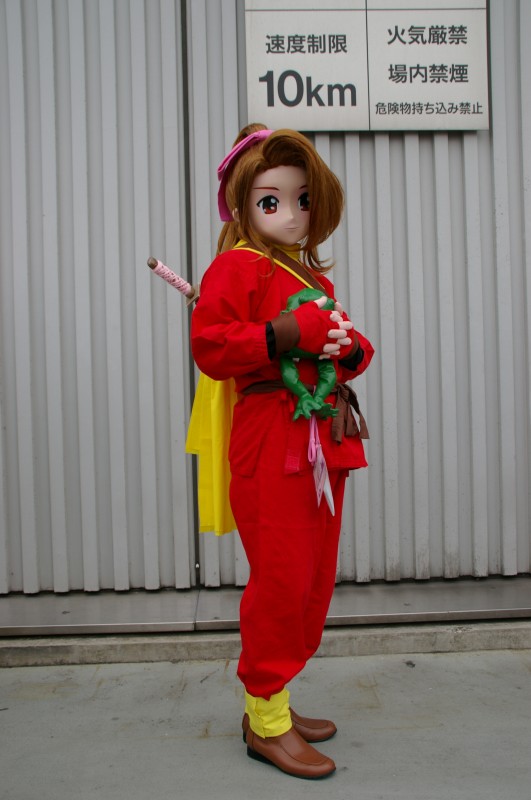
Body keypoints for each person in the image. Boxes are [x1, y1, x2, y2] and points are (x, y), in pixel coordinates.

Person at [189, 124, 374, 779]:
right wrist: (285, 332)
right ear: (242, 207)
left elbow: (340, 348)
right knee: (282, 579)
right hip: (272, 440)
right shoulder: (236, 266)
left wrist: (350, 349)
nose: (291, 215)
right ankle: (265, 723)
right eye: (271, 201)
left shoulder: (307, 273)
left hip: (323, 437)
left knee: (312, 579)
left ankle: (274, 702)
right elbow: (212, 346)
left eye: (302, 200)